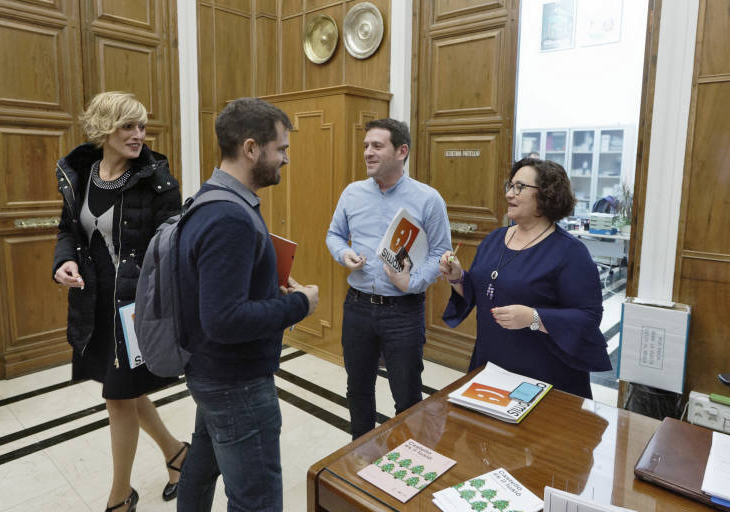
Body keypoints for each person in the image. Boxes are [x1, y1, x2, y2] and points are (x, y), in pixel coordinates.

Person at [175, 97, 319, 512]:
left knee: (200, 468)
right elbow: (223, 319)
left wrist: (268, 291)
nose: (285, 159)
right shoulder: (230, 218)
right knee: (255, 499)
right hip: (235, 381)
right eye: (282, 149)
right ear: (252, 149)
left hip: (211, 371)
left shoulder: (209, 198)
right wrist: (299, 305)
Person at [52, 91, 187, 512]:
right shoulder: (81, 174)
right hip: (95, 303)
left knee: (117, 396)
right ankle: (178, 454)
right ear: (104, 128)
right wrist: (63, 262)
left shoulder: (157, 178)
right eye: (128, 126)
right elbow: (68, 231)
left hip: (135, 304)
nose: (138, 135)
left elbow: (170, 245)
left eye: (142, 126)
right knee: (123, 393)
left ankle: (119, 497)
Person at [439, 157, 612, 399]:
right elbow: (482, 292)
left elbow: (588, 318)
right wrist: (457, 277)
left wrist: (534, 317)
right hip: (491, 362)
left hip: (544, 372)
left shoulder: (570, 252)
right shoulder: (494, 239)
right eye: (509, 186)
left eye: (520, 187)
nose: (510, 194)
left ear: (547, 195)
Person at [326, 118, 452, 440]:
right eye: (366, 146)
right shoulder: (352, 194)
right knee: (357, 390)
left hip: (404, 311)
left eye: (377, 146)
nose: (368, 152)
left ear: (401, 151)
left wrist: (412, 282)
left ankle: (407, 461)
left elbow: (441, 253)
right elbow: (334, 235)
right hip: (357, 307)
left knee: (408, 395)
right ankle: (359, 454)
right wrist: (344, 255)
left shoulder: (428, 199)